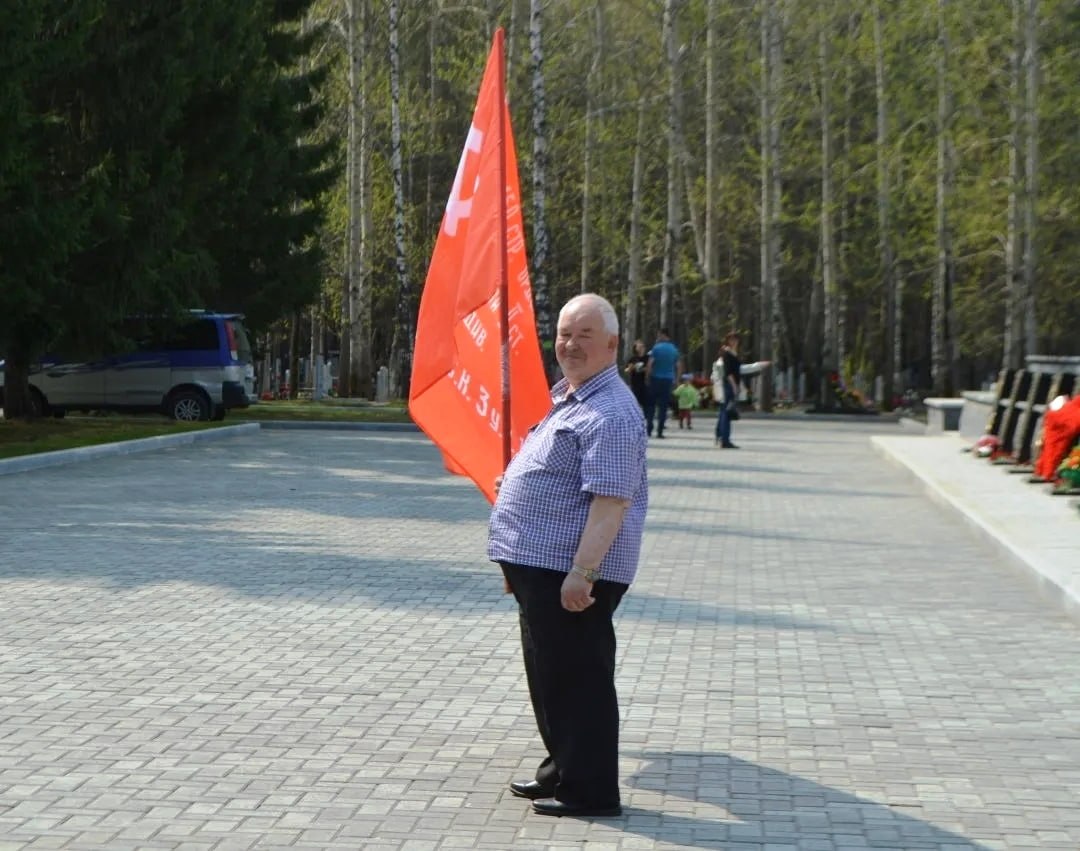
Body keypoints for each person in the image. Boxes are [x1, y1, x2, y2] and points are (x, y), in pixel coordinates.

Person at [488, 293, 649, 819]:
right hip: (542, 568)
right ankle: (562, 771)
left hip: (571, 572)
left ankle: (591, 792)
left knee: (579, 681)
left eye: (584, 335)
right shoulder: (574, 397)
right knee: (551, 677)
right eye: (563, 334)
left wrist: (583, 572)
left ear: (612, 344)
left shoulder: (611, 412)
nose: (570, 344)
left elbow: (611, 501)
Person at [712, 332, 770, 449]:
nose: (734, 342)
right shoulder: (727, 354)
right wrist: (734, 386)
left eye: (736, 339)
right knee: (727, 413)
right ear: (727, 341)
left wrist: (758, 365)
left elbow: (738, 370)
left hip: (727, 385)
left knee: (724, 412)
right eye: (731, 339)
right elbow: (728, 372)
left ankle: (719, 436)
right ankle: (725, 440)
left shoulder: (732, 353)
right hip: (728, 386)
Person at [643, 328, 681, 438]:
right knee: (663, 406)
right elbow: (678, 365)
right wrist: (677, 380)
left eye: (659, 335)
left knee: (651, 405)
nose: (658, 337)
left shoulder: (656, 348)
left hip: (655, 378)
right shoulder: (674, 349)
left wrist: (647, 377)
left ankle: (649, 428)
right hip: (668, 380)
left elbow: (650, 364)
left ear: (663, 335)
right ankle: (660, 431)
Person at [623, 339, 650, 418]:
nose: (641, 348)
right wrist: (630, 368)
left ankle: (646, 417)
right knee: (635, 400)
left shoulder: (648, 358)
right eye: (639, 347)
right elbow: (626, 370)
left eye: (642, 346)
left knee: (646, 401)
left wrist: (645, 369)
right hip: (635, 383)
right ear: (635, 348)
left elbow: (651, 368)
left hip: (645, 382)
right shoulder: (633, 359)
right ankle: (634, 416)